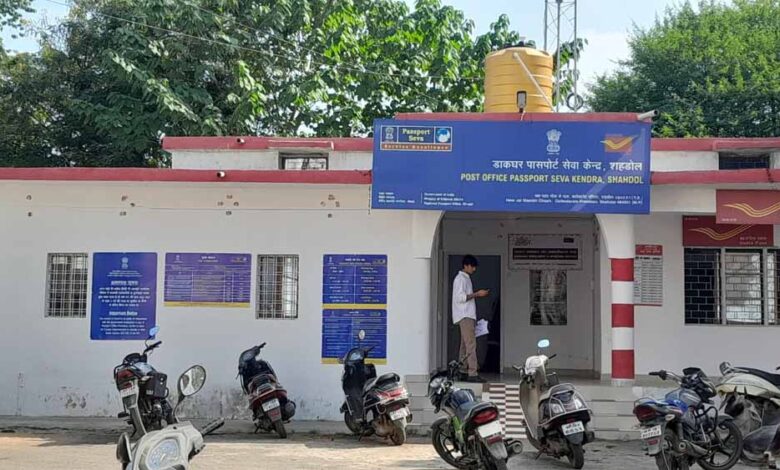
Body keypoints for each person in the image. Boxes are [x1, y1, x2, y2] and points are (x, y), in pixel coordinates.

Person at [452, 255, 489, 383]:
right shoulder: (460, 279)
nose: (474, 269)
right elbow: (460, 298)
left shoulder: (465, 278)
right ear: (466, 265)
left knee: (464, 345)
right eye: (472, 266)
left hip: (467, 315)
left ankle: (462, 370)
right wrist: (477, 294)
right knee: (471, 344)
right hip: (465, 315)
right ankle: (472, 372)